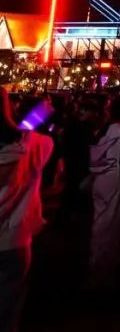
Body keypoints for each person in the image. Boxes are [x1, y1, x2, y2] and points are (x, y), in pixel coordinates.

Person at [0, 88, 54, 332]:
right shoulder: (38, 145)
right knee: (8, 308)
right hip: (15, 238)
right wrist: (38, 112)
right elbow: (33, 132)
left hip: (15, 238)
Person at [87, 93, 120, 285]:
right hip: (115, 178)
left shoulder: (104, 128)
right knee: (111, 223)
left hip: (100, 178)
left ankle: (98, 262)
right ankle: (103, 268)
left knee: (101, 219)